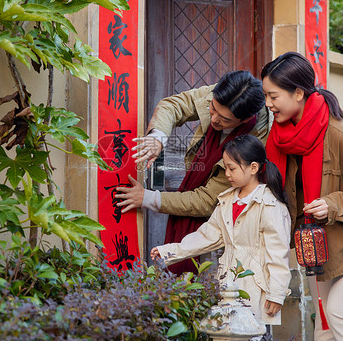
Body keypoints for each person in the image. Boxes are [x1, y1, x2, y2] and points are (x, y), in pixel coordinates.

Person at [261, 51, 343, 341]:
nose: (268, 104)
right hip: (319, 246)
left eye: (273, 96)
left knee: (339, 312)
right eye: (266, 96)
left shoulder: (340, 133)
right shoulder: (281, 136)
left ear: (298, 93)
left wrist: (331, 204)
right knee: (323, 326)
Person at [115, 70, 270, 274]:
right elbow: (173, 105)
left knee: (209, 282)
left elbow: (206, 201)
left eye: (223, 119)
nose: (213, 119)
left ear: (245, 120)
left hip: (225, 224)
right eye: (211, 108)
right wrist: (157, 138)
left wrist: (148, 198)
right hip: (200, 208)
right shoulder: (219, 95)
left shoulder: (255, 142)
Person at [150, 134, 291, 329]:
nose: (227, 174)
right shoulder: (227, 201)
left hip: (256, 286)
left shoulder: (270, 204)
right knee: (225, 332)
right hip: (227, 285)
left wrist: (277, 294)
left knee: (251, 332)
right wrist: (170, 251)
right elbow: (206, 236)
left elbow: (277, 253)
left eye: (232, 168)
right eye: (225, 167)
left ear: (253, 168)